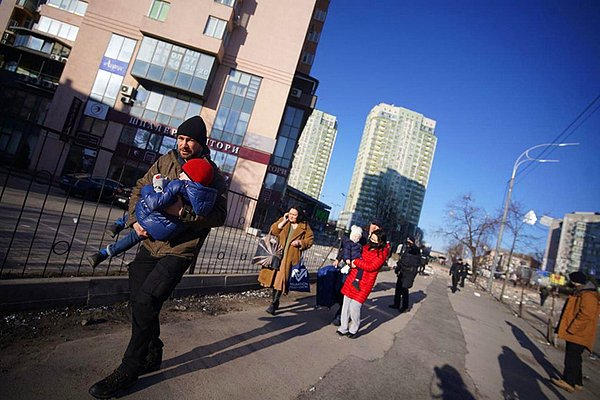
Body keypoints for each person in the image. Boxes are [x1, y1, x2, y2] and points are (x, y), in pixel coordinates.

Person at [88, 116, 228, 399]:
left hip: (179, 250)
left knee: (147, 300)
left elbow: (219, 215)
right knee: (138, 297)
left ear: (201, 144)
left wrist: (183, 214)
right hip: (149, 242)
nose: (184, 144)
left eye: (190, 140)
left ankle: (130, 368)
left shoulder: (213, 173)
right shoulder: (166, 159)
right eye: (180, 138)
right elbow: (140, 187)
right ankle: (153, 350)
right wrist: (133, 221)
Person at [86, 158, 216, 268]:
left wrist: (148, 189)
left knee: (143, 205)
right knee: (134, 236)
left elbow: (155, 202)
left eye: (183, 172)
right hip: (165, 230)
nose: (180, 174)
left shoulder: (179, 185)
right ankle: (104, 253)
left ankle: (119, 224)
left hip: (155, 220)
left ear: (190, 177)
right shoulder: (203, 197)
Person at [258, 206, 314, 315]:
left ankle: (274, 303)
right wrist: (283, 221)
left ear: (299, 216)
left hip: (289, 258)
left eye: (294, 214)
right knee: (274, 280)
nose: (291, 216)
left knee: (280, 280)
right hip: (277, 254)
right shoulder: (284, 221)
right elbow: (273, 230)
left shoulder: (304, 226)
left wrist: (300, 243)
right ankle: (275, 300)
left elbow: (310, 240)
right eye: (290, 213)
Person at [336, 229, 390, 338]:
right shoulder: (365, 247)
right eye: (371, 238)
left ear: (381, 242)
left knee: (355, 307)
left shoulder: (382, 253)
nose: (372, 241)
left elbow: (371, 266)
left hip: (365, 283)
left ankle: (354, 328)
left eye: (375, 240)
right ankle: (343, 327)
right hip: (353, 278)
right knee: (345, 305)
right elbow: (353, 254)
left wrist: (356, 262)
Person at [552, 271, 599, 393]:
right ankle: (577, 382)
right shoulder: (581, 292)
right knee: (575, 357)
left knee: (572, 357)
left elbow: (586, 315)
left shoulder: (588, 295)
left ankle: (569, 381)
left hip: (579, 332)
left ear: (574, 281)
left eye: (571, 280)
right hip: (578, 331)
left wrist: (572, 328)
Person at [331, 220, 382, 325]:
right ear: (370, 225)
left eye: (378, 226)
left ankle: (340, 316)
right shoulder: (360, 234)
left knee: (352, 295)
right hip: (350, 266)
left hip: (361, 272)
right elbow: (347, 247)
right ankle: (342, 312)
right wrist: (338, 259)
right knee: (342, 290)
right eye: (374, 224)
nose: (375, 227)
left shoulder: (377, 241)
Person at [390, 236, 421, 312]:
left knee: (404, 289)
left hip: (409, 273)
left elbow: (415, 249)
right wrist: (398, 268)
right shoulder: (407, 250)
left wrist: (412, 243)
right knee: (398, 288)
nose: (407, 243)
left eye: (409, 242)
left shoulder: (416, 251)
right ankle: (396, 304)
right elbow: (402, 260)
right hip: (402, 271)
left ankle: (405, 306)